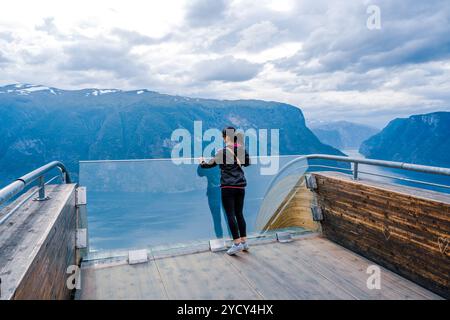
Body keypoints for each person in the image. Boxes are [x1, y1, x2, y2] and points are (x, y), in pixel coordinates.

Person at [199, 127, 250, 255]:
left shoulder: (221, 152)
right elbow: (247, 163)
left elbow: (209, 165)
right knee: (239, 214)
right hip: (240, 186)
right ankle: (244, 242)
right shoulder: (241, 150)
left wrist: (201, 161)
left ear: (224, 137)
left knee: (230, 215)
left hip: (228, 187)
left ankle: (236, 243)